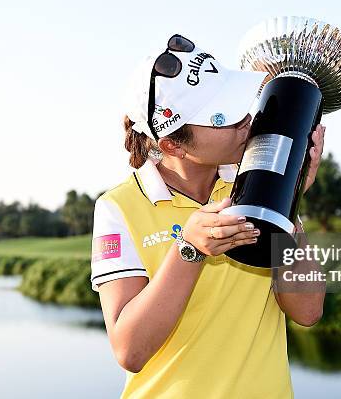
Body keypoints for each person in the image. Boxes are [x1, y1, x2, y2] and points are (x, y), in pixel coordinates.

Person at [90, 34, 326, 398]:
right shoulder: (119, 208)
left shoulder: (258, 181)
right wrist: (190, 248)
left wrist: (287, 200)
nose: (246, 121)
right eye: (223, 118)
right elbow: (130, 350)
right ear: (172, 144)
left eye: (239, 106)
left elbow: (307, 311)